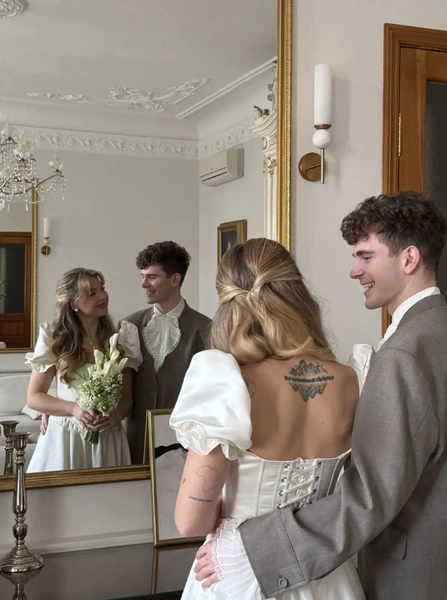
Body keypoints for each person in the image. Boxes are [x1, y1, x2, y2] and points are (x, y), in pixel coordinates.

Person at [195, 192, 447, 600]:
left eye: (366, 256)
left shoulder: (405, 352)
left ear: (409, 259)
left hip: (407, 570)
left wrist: (259, 548)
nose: (354, 270)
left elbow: (372, 494)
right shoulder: (435, 332)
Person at [170, 237, 368, 600]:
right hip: (325, 571)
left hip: (236, 569)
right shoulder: (353, 379)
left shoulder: (224, 382)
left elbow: (190, 522)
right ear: (297, 294)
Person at [26, 268, 142, 472]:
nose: (103, 296)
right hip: (65, 439)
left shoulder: (120, 339)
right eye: (92, 293)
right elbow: (34, 398)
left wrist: (114, 417)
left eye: (102, 289)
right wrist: (73, 409)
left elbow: (127, 397)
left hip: (108, 439)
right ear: (74, 304)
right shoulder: (54, 338)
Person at [123, 241, 211, 464]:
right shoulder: (128, 326)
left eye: (152, 277)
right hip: (136, 439)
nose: (144, 283)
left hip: (184, 443)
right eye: (143, 276)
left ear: (175, 279)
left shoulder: (206, 329)